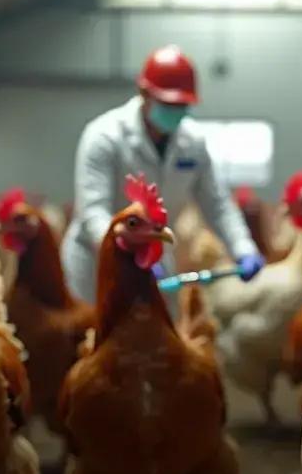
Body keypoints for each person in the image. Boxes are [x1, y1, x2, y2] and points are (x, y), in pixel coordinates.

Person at [61, 45, 265, 301]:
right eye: (168, 104)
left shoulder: (194, 143)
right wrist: (126, 251)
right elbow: (93, 212)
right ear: (144, 94)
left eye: (182, 105)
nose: (175, 111)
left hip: (155, 257)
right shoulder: (104, 137)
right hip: (98, 261)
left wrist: (243, 248)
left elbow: (217, 204)